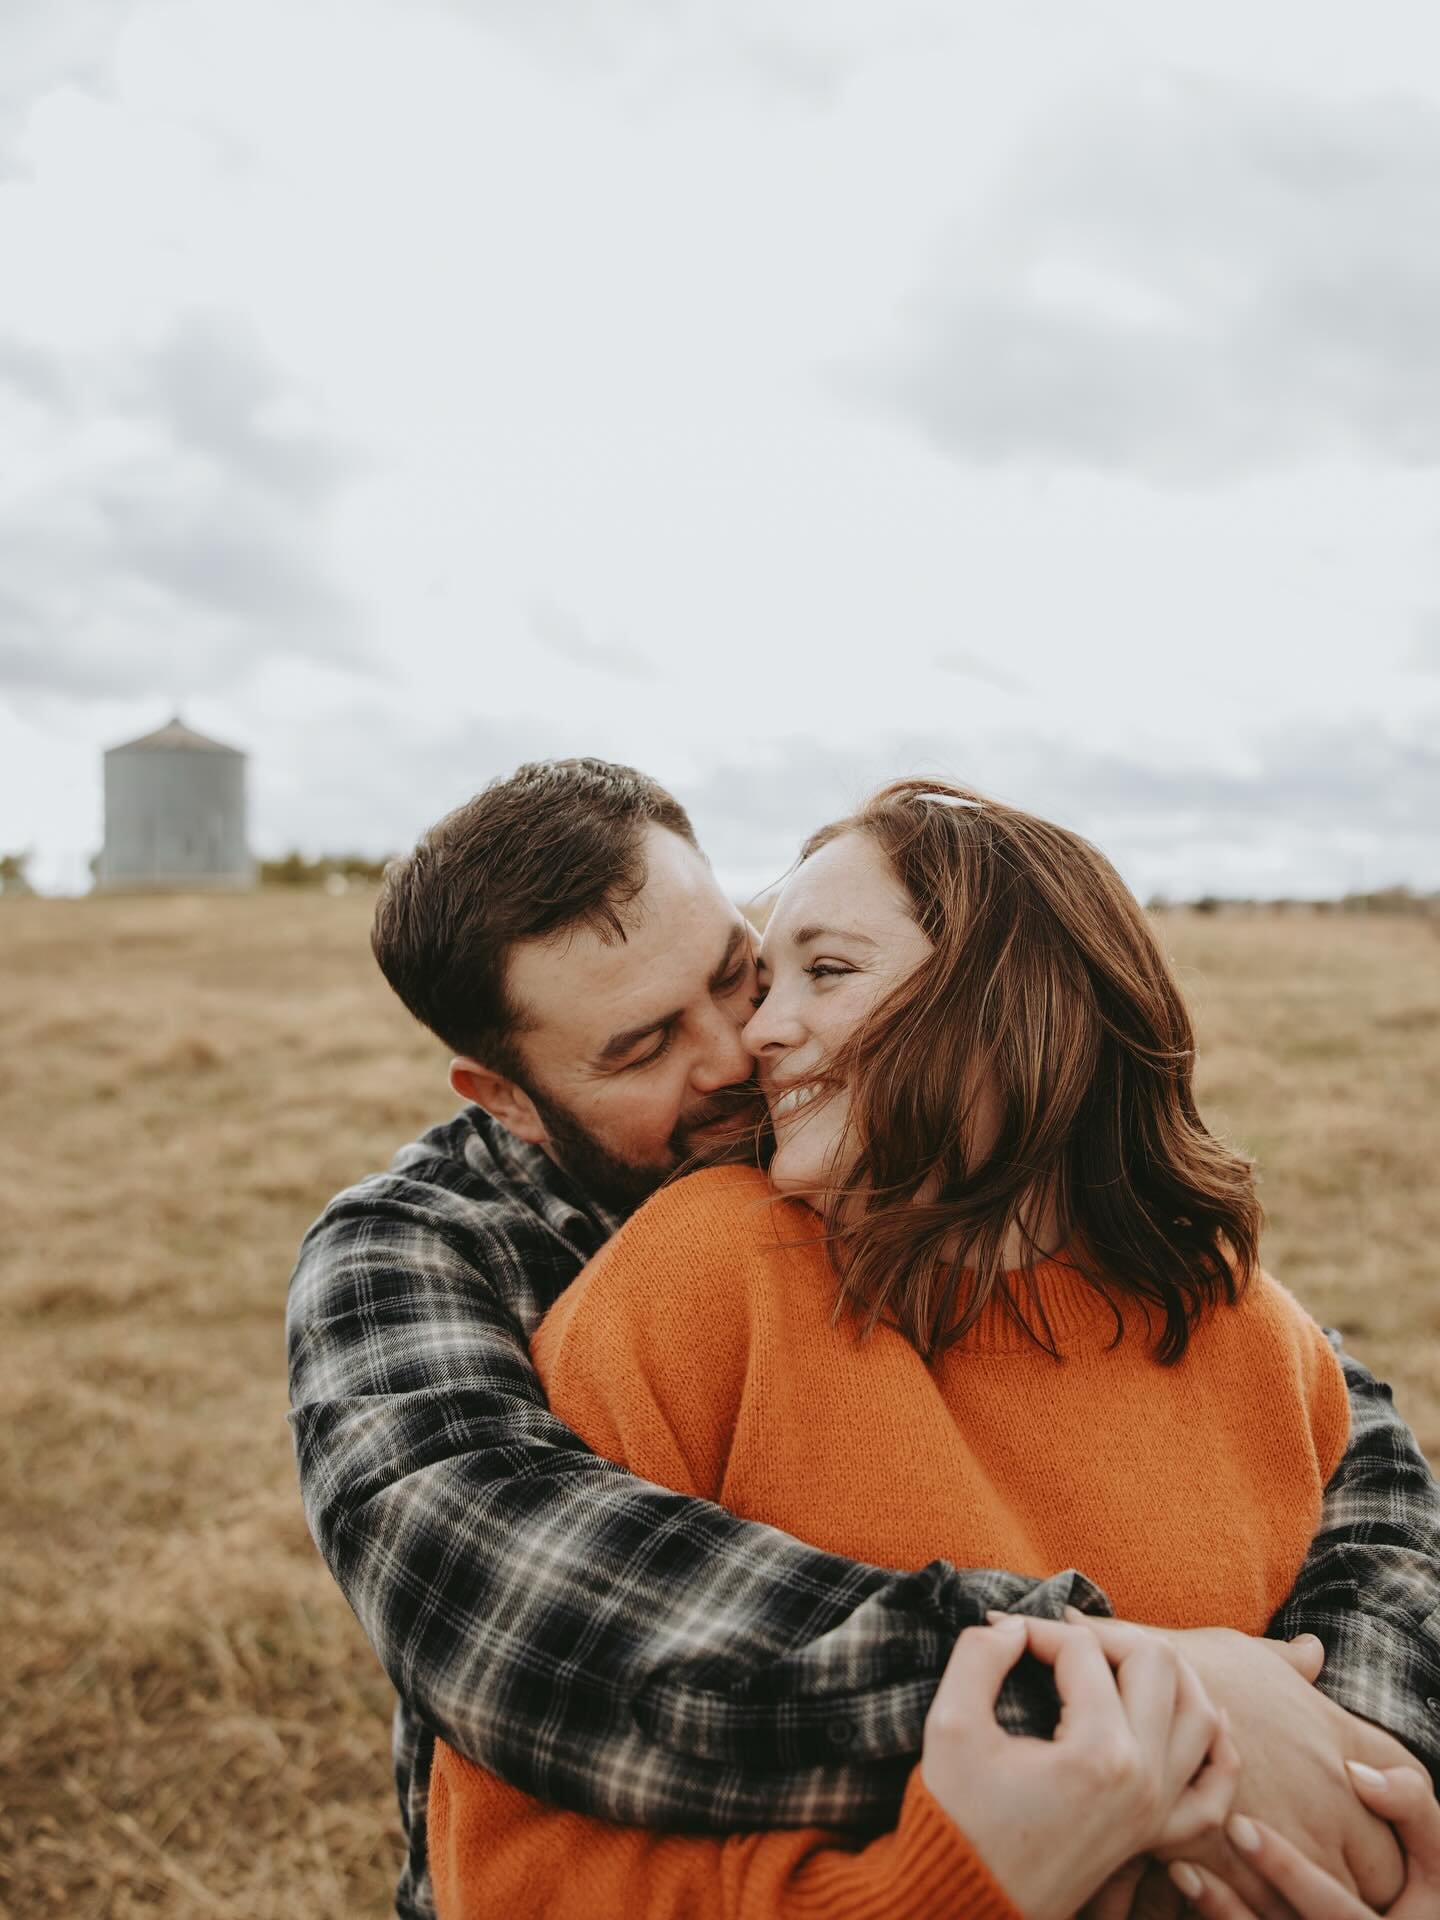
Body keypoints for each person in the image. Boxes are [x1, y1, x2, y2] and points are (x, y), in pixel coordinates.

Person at [286, 760, 1440, 1920]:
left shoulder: (935, 1181)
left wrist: (1365, 1774)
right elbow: (514, 1604)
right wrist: (1123, 1692)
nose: (744, 1052)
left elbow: (1353, 1452)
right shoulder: (417, 1255)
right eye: (641, 1049)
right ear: (511, 1097)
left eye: (741, 974)